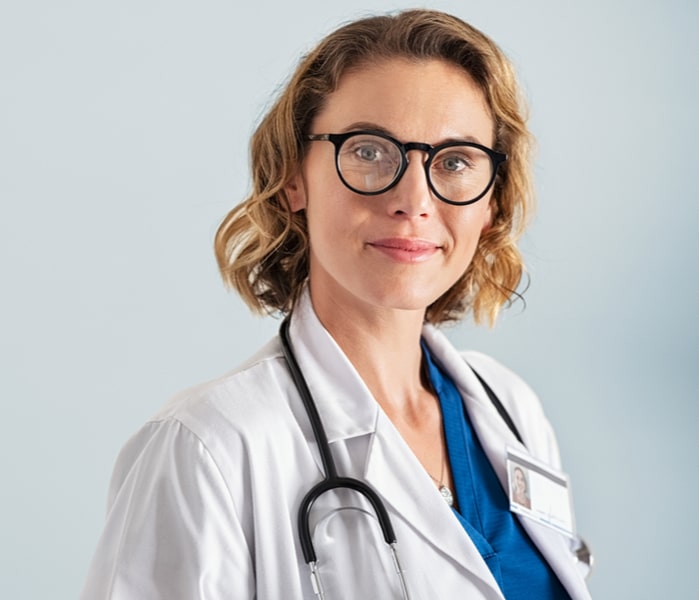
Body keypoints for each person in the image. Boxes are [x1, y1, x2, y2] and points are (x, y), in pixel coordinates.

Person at [82, 9, 592, 599]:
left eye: (454, 162)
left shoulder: (512, 410)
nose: (413, 200)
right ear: (293, 178)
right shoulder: (209, 447)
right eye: (371, 151)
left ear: (492, 203)